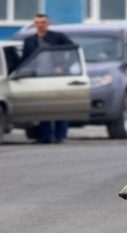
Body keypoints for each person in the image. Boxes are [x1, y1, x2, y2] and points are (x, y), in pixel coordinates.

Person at [22, 14, 74, 144]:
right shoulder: (29, 40)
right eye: (38, 22)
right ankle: (44, 136)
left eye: (43, 22)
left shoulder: (58, 37)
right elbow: (25, 59)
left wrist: (63, 66)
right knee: (43, 107)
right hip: (38, 78)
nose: (40, 25)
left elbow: (73, 51)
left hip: (57, 77)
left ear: (48, 23)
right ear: (34, 24)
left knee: (59, 106)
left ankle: (60, 135)